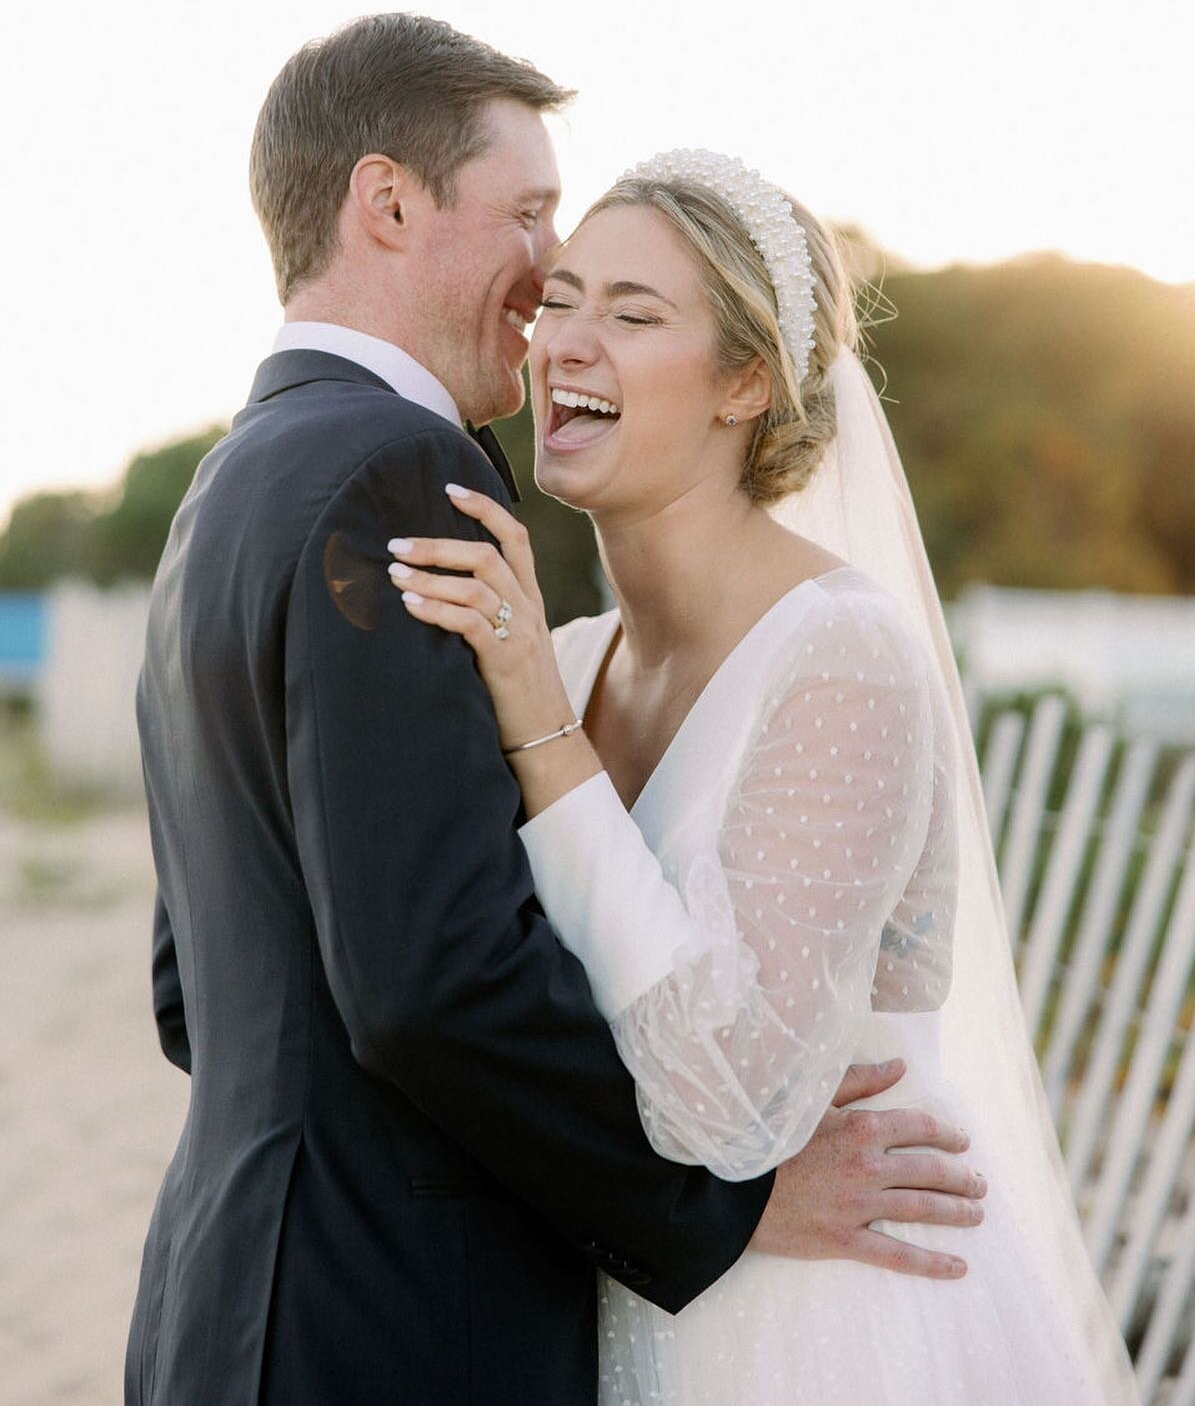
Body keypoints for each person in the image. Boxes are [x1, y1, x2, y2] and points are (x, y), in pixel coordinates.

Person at [125, 19, 988, 1406]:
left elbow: (200, 991)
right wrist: (717, 1207)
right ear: (388, 201)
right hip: (399, 1324)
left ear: (747, 377)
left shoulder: (234, 487)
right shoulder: (397, 477)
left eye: (624, 305)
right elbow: (426, 982)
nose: (544, 308)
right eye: (532, 224)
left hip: (239, 1297)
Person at [387, 149, 1142, 1403]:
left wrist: (535, 729)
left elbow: (723, 1108)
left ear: (746, 380)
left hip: (826, 1326)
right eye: (561, 297)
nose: (568, 341)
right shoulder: (567, 664)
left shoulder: (839, 659)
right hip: (625, 1302)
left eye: (633, 315)